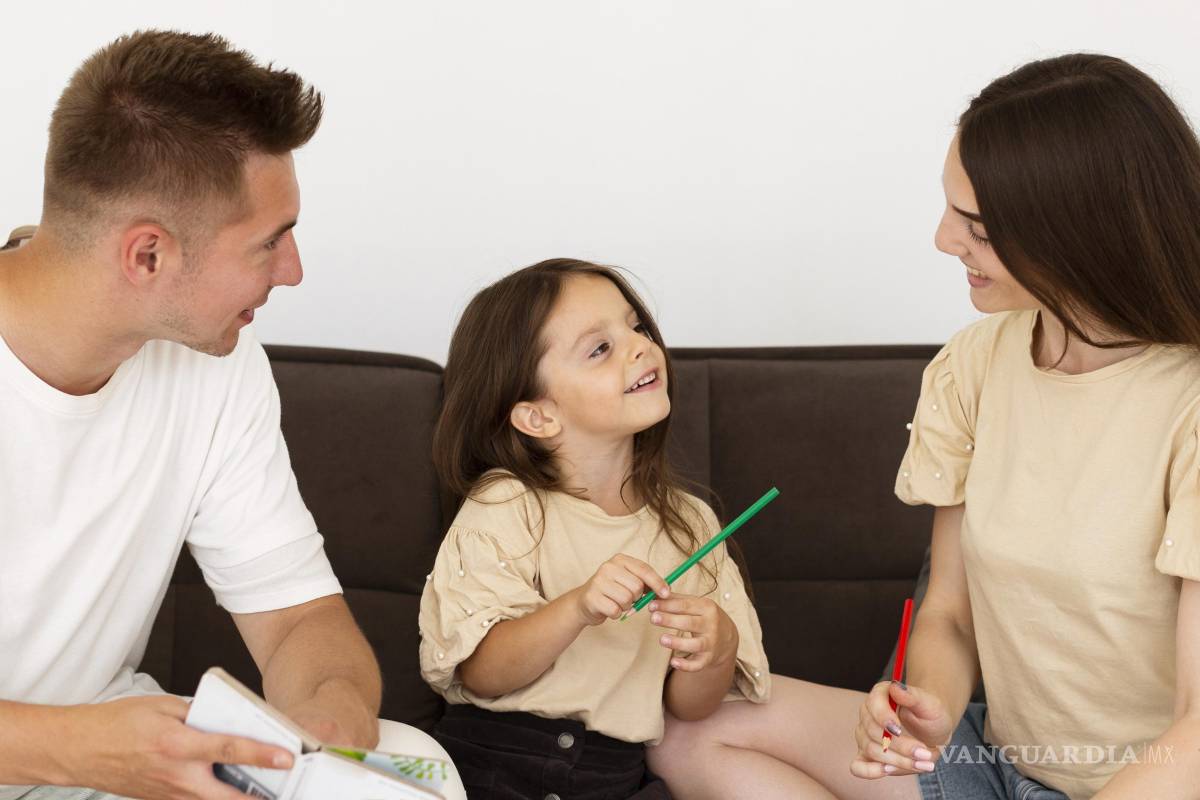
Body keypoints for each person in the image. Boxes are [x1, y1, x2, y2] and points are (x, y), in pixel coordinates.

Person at [645, 53, 1200, 800]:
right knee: (690, 734)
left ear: (1076, 232)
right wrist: (927, 711)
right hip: (991, 762)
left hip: (1152, 783)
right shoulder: (975, 363)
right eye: (950, 208)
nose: (944, 240)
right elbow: (948, 612)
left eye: (975, 225)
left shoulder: (1186, 404)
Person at [0, 30, 455, 800]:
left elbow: (298, 622)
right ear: (148, 256)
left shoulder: (218, 364)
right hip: (72, 756)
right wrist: (74, 750)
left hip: (110, 763)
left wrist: (323, 728)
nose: (294, 270)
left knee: (416, 762)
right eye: (269, 243)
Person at [417, 259, 771, 798]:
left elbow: (688, 707)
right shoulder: (507, 504)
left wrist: (716, 650)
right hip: (495, 760)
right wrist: (577, 607)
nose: (640, 346)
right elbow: (481, 672)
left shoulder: (691, 524)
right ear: (537, 417)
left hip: (614, 775)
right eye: (599, 348)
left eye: (636, 326)